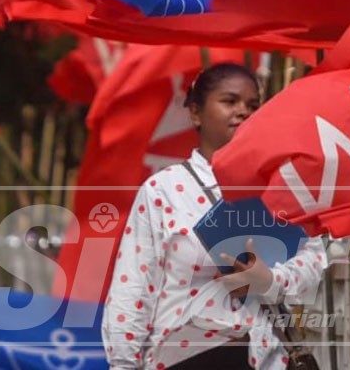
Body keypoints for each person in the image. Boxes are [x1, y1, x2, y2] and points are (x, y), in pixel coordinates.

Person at [102, 63, 328, 369]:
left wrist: (271, 280)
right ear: (196, 113)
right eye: (229, 101)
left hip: (263, 359)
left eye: (252, 105)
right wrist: (123, 364)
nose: (243, 112)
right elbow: (133, 289)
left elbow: (314, 257)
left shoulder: (279, 188)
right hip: (184, 358)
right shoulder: (163, 190)